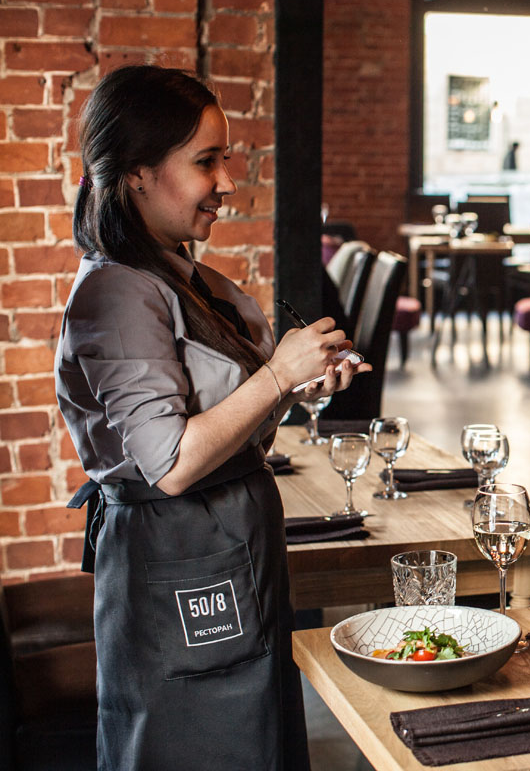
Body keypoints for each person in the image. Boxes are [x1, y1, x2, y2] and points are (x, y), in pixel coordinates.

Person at [55, 65, 370, 770]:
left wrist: (299, 387)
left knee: (257, 740)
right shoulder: (114, 291)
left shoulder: (177, 275)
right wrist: (278, 374)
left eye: (224, 158)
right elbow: (170, 464)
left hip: (224, 551)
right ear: (137, 173)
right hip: (176, 562)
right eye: (206, 161)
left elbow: (227, 417)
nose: (227, 181)